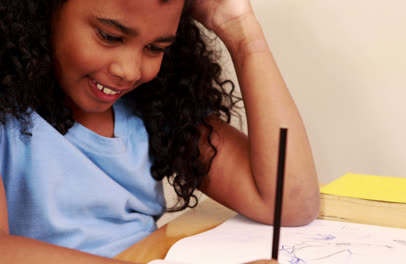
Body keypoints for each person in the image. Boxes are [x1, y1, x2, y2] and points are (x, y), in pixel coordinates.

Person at [0, 0, 319, 263]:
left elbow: (289, 204)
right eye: (109, 37)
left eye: (155, 47)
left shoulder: (155, 108)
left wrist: (243, 34)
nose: (129, 70)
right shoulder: (7, 118)